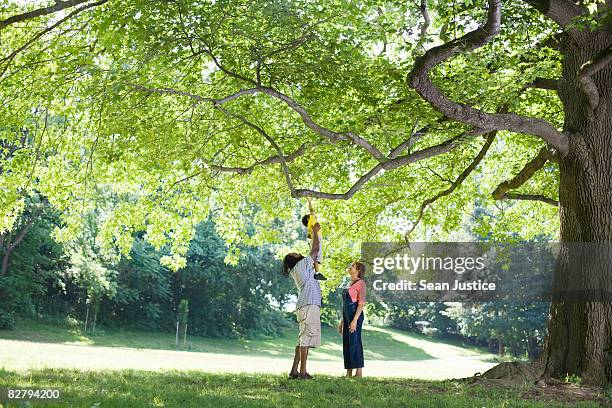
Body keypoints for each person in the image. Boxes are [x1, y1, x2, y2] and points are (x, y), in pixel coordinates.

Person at [283, 222, 322, 380]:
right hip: (309, 305)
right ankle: (303, 372)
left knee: (302, 338)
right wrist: (315, 231)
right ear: (293, 259)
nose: (296, 252)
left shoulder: (300, 268)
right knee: (306, 338)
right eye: (293, 253)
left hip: (305, 305)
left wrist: (315, 236)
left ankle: (294, 370)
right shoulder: (300, 265)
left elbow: (316, 254)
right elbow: (315, 250)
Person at [338, 261, 366, 377]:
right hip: (346, 315)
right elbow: (344, 304)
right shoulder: (349, 283)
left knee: (355, 342)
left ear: (358, 270)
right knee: (347, 343)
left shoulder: (361, 283)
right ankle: (349, 372)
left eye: (353, 266)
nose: (350, 267)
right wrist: (342, 321)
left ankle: (358, 372)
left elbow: (361, 303)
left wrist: (354, 320)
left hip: (356, 315)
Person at [301, 199, 327, 280]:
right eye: (310, 215)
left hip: (316, 240)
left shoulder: (310, 225)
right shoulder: (311, 220)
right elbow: (312, 210)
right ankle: (316, 272)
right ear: (308, 219)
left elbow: (309, 235)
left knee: (317, 257)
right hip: (317, 239)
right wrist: (309, 202)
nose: (312, 215)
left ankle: (316, 272)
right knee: (316, 257)